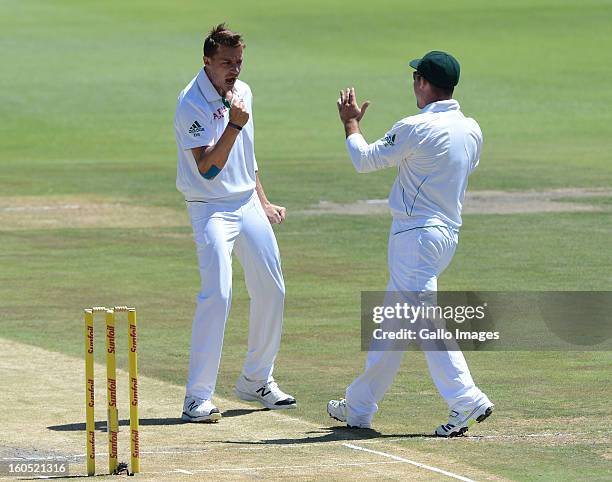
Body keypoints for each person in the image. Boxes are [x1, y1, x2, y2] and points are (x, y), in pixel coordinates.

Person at [327, 51, 493, 436]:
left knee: (423, 319)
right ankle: (359, 405)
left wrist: (350, 123)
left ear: (422, 83)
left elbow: (364, 160)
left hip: (416, 237)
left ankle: (465, 399)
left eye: (415, 78)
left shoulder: (415, 127)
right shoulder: (471, 128)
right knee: (394, 326)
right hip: (445, 236)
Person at [174, 23, 296, 423]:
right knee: (218, 294)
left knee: (273, 289)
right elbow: (208, 168)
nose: (234, 70)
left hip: (246, 203)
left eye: (239, 62)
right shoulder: (190, 102)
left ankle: (256, 380)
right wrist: (235, 123)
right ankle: (197, 397)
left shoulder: (243, 93)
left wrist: (262, 201)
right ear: (207, 60)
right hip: (208, 207)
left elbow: (247, 154)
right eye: (226, 62)